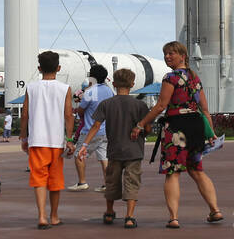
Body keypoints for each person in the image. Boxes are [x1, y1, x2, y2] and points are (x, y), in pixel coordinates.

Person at [131, 41, 222, 228]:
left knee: (173, 172)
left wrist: (141, 124)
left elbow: (161, 106)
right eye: (165, 53)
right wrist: (210, 133)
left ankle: (173, 217)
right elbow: (204, 109)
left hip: (177, 128)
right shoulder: (195, 78)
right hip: (196, 126)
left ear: (183, 56)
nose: (167, 56)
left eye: (172, 53)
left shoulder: (170, 78)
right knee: (197, 169)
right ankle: (215, 210)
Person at [80, 68, 149, 228]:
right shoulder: (140, 105)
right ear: (132, 84)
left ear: (115, 84)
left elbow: (96, 125)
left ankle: (109, 212)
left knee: (111, 182)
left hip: (114, 150)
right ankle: (129, 217)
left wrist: (84, 145)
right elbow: (147, 128)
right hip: (134, 151)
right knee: (132, 182)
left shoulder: (107, 104)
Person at [20, 50, 75, 229]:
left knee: (39, 179)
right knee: (55, 180)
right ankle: (54, 216)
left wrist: (23, 136)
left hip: (37, 140)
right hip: (56, 141)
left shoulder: (31, 88)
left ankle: (41, 216)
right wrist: (69, 138)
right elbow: (68, 115)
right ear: (58, 68)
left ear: (39, 68)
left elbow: (25, 114)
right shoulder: (64, 88)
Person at [72, 64, 113, 191]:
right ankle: (107, 183)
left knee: (79, 155)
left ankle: (82, 182)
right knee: (104, 157)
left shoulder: (90, 91)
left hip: (90, 130)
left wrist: (78, 109)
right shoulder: (109, 90)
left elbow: (81, 110)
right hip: (105, 130)